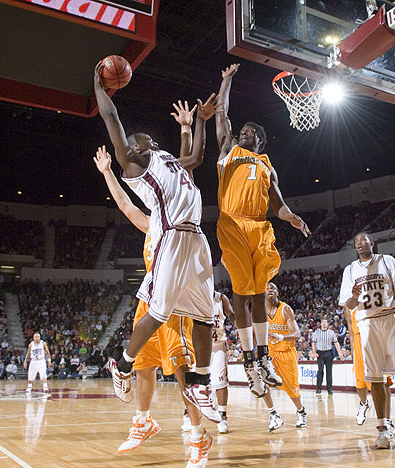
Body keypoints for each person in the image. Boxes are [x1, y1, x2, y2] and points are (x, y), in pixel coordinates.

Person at [94, 63, 219, 467]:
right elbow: (113, 121)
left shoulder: (168, 161)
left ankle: (200, 390)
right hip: (171, 247)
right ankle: (127, 375)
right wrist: (101, 88)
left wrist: (197, 122)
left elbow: (196, 154)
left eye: (141, 135)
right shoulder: (137, 166)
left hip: (195, 238)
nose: (139, 136)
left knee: (204, 319)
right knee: (155, 326)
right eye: (133, 139)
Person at [215, 63, 311, 398]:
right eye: (241, 130)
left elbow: (278, 204)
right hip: (232, 223)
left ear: (261, 139)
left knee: (257, 295)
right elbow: (221, 118)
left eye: (250, 131)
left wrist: (291, 217)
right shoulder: (229, 152)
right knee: (241, 295)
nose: (243, 132)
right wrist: (226, 81)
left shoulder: (268, 165)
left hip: (261, 226)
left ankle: (262, 357)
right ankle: (248, 358)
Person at [339, 232, 395, 449]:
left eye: (363, 241)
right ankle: (383, 429)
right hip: (366, 323)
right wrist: (355, 297)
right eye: (356, 242)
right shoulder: (349, 270)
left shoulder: (387, 261)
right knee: (375, 378)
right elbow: (348, 304)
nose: (359, 244)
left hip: (391, 318)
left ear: (371, 244)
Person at [262, 282, 307, 431]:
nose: (270, 290)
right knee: (262, 382)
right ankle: (273, 414)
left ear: (278, 292)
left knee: (292, 389)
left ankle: (301, 411)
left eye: (273, 288)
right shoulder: (260, 311)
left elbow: (297, 334)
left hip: (286, 353)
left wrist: (280, 337)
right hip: (270, 354)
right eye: (267, 288)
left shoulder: (285, 309)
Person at [344, 306, 393, 426]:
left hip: (376, 335)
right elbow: (350, 325)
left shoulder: (374, 294)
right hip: (359, 339)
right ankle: (364, 403)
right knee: (360, 382)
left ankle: (387, 421)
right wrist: (352, 347)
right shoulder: (349, 301)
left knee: (384, 380)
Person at [207, 290, 236, 434]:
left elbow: (232, 316)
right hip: (198, 346)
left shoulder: (220, 298)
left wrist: (243, 332)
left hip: (218, 345)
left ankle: (222, 417)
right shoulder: (192, 293)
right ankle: (188, 414)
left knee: (220, 382)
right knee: (193, 383)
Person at [311, 318, 342, 394]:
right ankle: (318, 388)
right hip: (320, 353)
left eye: (325, 322)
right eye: (323, 322)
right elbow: (313, 343)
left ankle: (329, 389)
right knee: (320, 370)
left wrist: (339, 352)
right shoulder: (316, 332)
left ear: (328, 324)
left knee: (329, 372)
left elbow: (336, 342)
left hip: (328, 352)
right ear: (320, 324)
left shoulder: (331, 333)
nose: (324, 323)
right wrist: (314, 352)